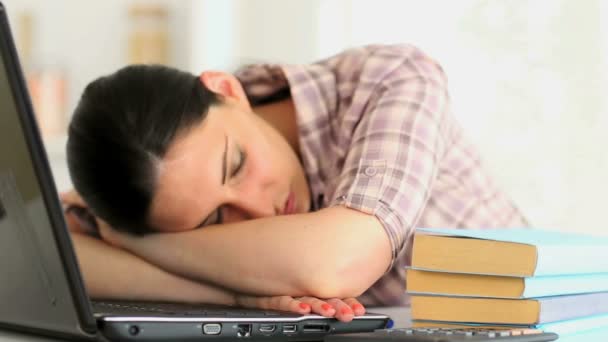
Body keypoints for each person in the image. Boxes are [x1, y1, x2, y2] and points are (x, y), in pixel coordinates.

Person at [61, 44, 528, 322]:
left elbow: (337, 264)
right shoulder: (159, 195)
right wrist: (234, 296)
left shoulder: (391, 79)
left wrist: (134, 242)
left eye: (237, 164)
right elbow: (62, 263)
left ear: (226, 90)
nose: (258, 212)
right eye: (216, 219)